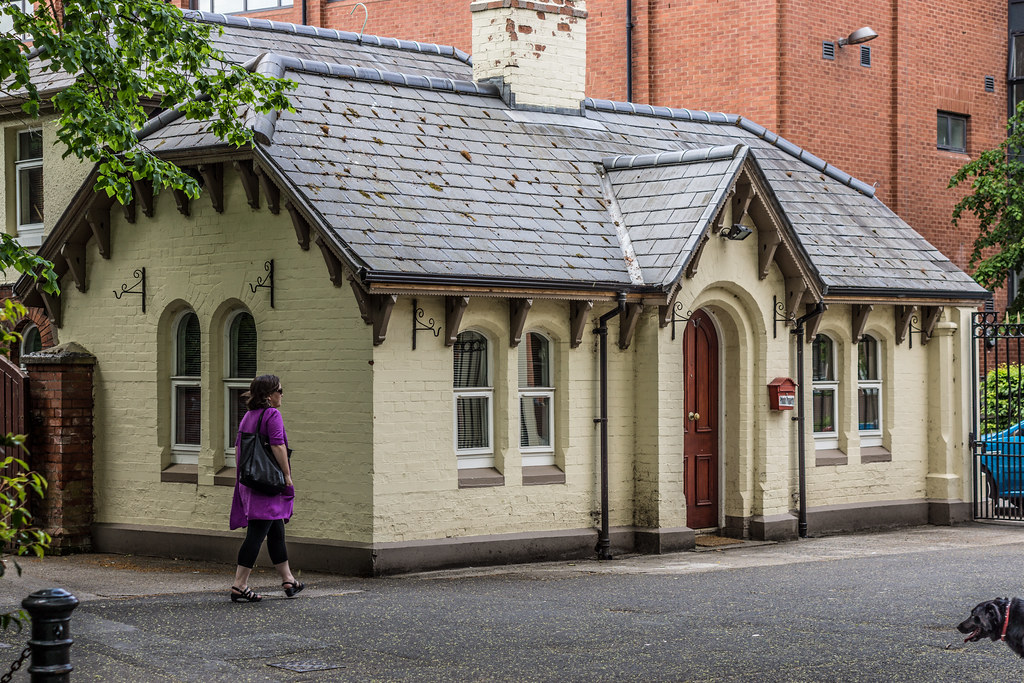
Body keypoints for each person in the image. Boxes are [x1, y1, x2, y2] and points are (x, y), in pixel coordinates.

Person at [228, 374, 304, 602]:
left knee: (276, 530)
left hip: (252, 481)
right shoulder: (272, 414)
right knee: (256, 533)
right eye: (280, 390)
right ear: (269, 395)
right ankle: (239, 585)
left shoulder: (248, 417)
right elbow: (278, 445)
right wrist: (287, 476)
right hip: (268, 483)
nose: (282, 394)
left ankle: (288, 579)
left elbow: (239, 450)